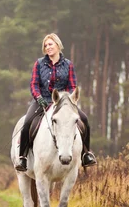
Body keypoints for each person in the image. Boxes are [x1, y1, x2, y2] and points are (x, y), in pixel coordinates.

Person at [15, 33, 97, 172]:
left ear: (58, 45)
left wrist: (70, 99)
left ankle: (86, 154)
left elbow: (72, 86)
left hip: (63, 103)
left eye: (50, 44)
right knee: (27, 122)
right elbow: (34, 84)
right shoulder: (39, 63)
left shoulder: (68, 65)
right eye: (46, 45)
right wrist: (38, 96)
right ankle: (23, 158)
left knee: (84, 120)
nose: (48, 47)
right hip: (42, 101)